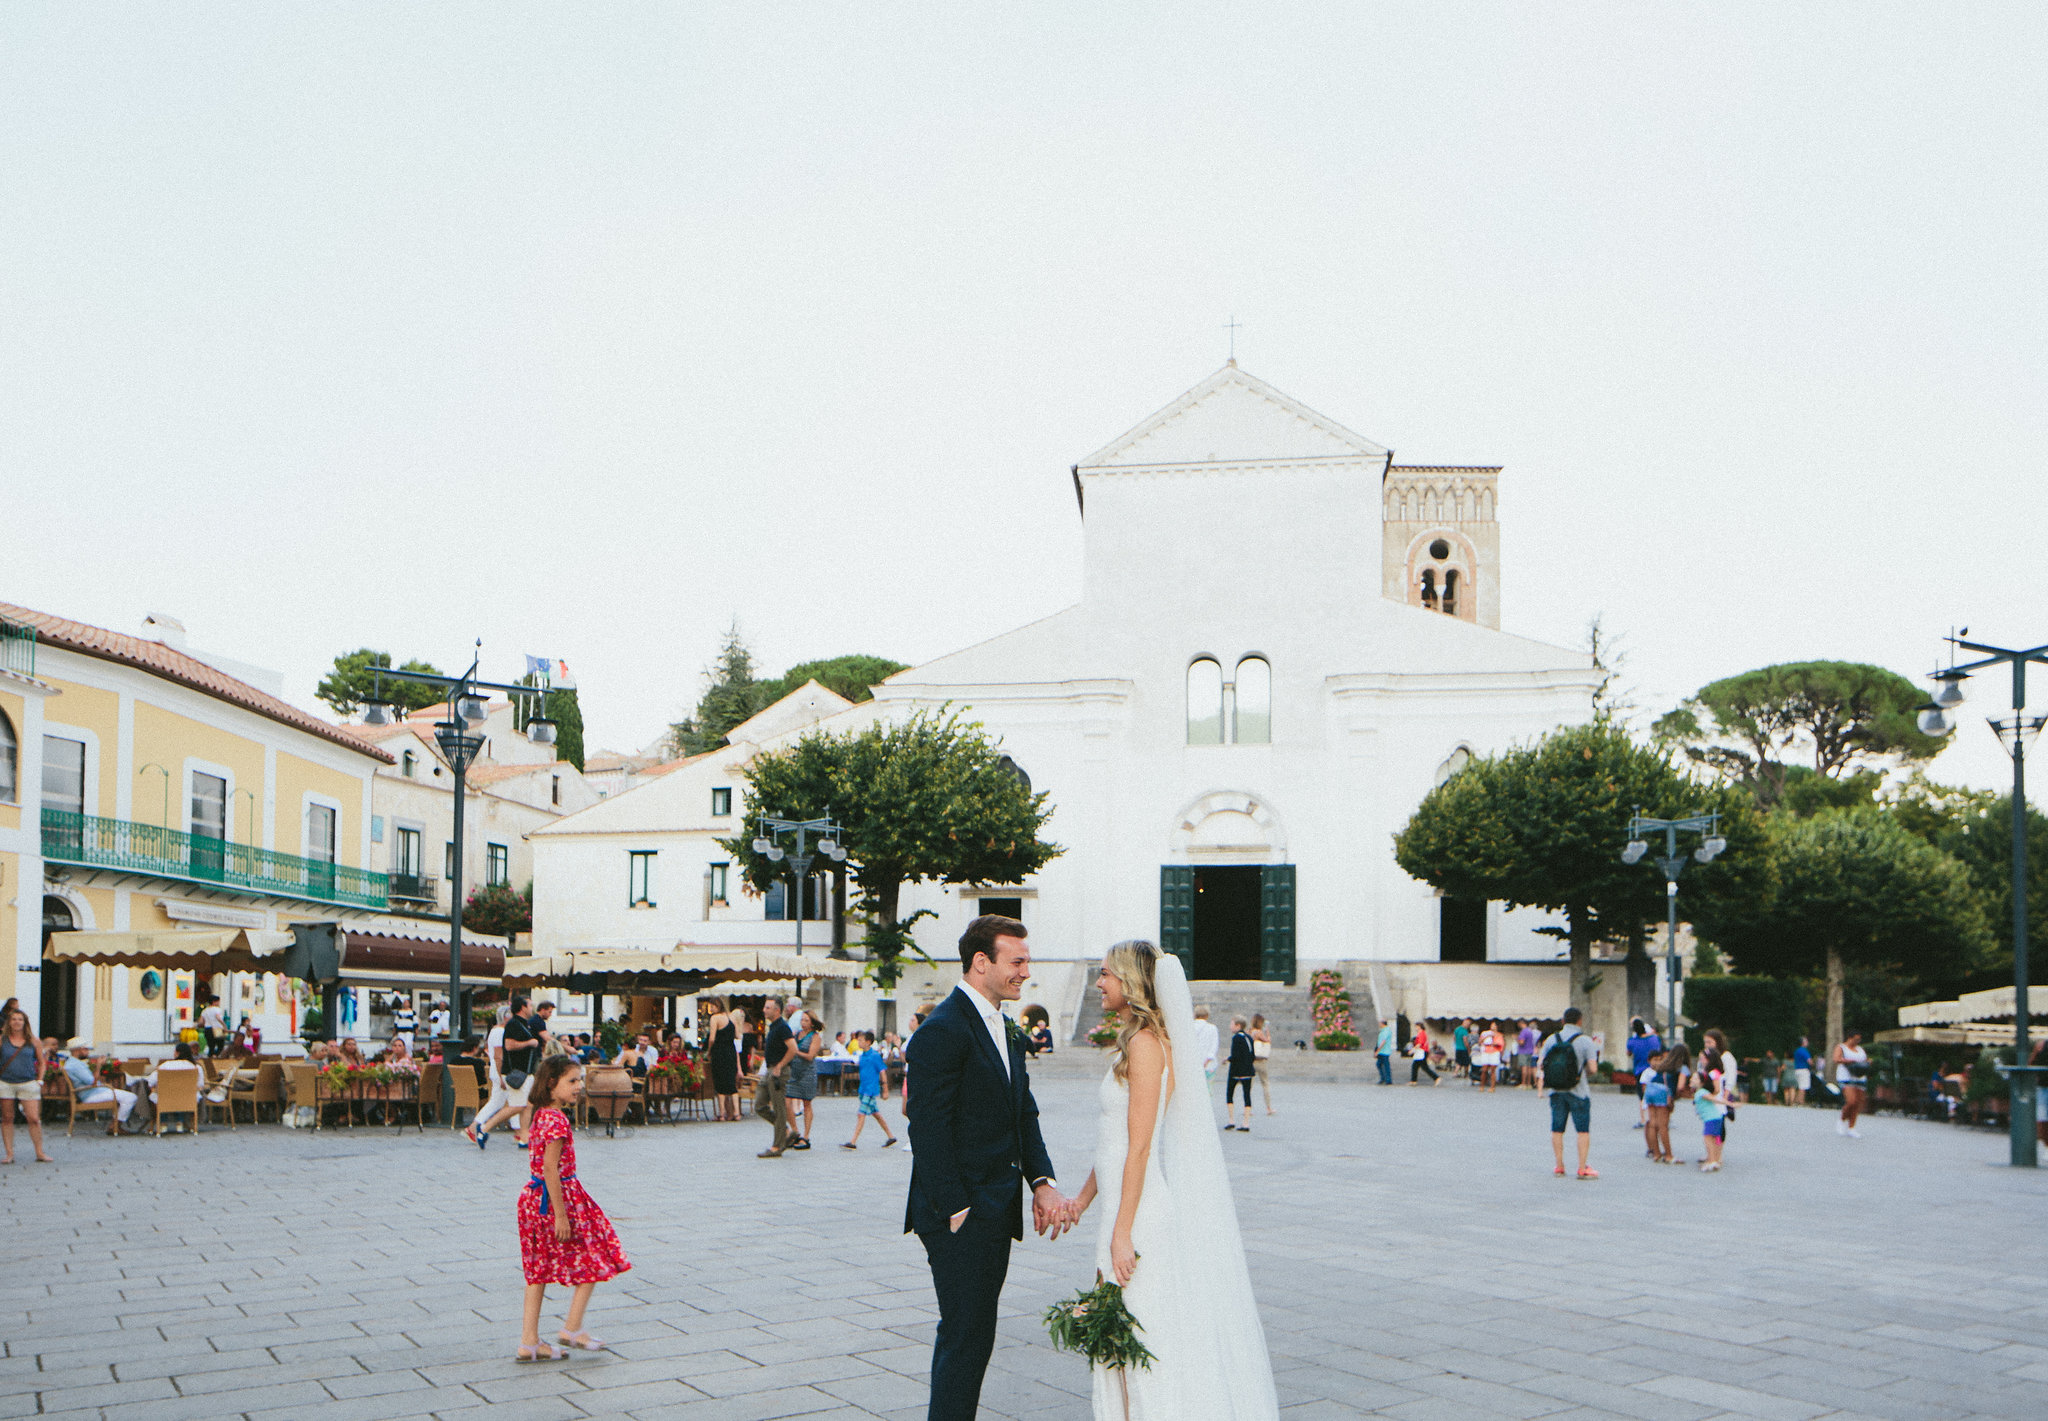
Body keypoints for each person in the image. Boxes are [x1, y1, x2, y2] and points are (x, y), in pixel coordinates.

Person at [1066, 940, 1279, 1419]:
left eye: (1106, 974)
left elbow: (1139, 1146)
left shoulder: (1144, 1046)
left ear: (1131, 982)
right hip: (1124, 1202)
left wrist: (1122, 1233)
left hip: (1137, 1212)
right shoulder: (1136, 1042)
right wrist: (1081, 1201)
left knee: (1140, 1334)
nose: (1099, 983)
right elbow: (1113, 1144)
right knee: (1121, 1333)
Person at [904, 915, 1071, 1421]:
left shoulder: (1003, 1025)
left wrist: (1041, 1182)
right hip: (960, 1213)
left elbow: (1023, 1110)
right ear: (982, 962)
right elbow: (926, 1126)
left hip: (996, 1209)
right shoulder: (943, 1029)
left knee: (975, 1334)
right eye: (1016, 961)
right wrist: (956, 1206)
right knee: (965, 1334)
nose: (1025, 971)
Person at [516, 1055, 630, 1361]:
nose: (578, 1086)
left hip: (533, 1198)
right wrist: (562, 1216)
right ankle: (572, 1327)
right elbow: (551, 1169)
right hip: (558, 1197)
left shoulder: (541, 1113)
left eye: (579, 1080)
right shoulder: (557, 1120)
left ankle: (529, 1341)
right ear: (552, 1084)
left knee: (537, 1271)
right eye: (572, 1081)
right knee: (596, 1254)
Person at [1540, 1007, 1600, 1179]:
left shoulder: (1551, 1040)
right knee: (1582, 1130)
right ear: (1580, 1020)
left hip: (1556, 1091)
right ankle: (1582, 1167)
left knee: (1557, 1129)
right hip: (1578, 1090)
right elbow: (1593, 1069)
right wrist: (1580, 1073)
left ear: (1563, 1021)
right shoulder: (1586, 1041)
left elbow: (1542, 1064)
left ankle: (1559, 1165)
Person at [0, 1006, 52, 1163]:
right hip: (6, 1082)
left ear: (25, 1022)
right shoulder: (3, 1040)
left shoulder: (33, 1041)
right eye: (14, 1019)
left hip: (28, 1082)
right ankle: (9, 1153)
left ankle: (40, 1152)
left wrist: (40, 1080)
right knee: (7, 1118)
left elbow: (42, 1063)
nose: (17, 1022)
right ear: (9, 1022)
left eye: (20, 1020)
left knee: (33, 1118)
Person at [61, 1039, 137, 1135]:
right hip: (91, 1094)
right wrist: (98, 1066)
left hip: (94, 1091)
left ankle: (115, 1125)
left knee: (125, 1097)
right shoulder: (75, 1065)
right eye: (85, 1049)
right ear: (77, 1050)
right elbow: (92, 1081)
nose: (88, 1051)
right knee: (131, 1097)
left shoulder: (74, 1063)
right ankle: (115, 1126)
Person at [466, 1006, 514, 1149]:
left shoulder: (495, 1031)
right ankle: (519, 1131)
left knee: (498, 1102)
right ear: (506, 1017)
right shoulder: (500, 1032)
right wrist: (501, 1075)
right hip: (500, 1070)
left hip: (496, 1069)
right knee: (513, 1101)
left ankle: (474, 1126)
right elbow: (499, 1055)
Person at [842, 1031, 898, 1149]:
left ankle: (853, 1141)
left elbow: (882, 1071)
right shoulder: (862, 1055)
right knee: (876, 1113)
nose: (859, 1042)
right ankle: (890, 1136)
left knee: (861, 1114)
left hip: (870, 1089)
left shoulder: (874, 1055)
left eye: (861, 1040)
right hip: (863, 1088)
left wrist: (885, 1088)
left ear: (868, 1042)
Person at [755, 999, 796, 1158]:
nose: (764, 1010)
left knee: (779, 1109)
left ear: (777, 1010)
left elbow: (793, 1049)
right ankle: (786, 1131)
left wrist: (780, 1066)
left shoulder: (782, 1027)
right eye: (765, 1007)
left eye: (768, 1007)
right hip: (769, 1070)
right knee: (759, 1105)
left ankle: (777, 1146)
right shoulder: (772, 1027)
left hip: (778, 1071)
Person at [1692, 1045, 1731, 1172]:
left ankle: (1715, 1157)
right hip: (1714, 1104)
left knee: (1714, 1134)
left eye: (1703, 1059)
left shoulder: (1713, 1073)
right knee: (1715, 1133)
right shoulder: (1711, 1072)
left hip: (1716, 1105)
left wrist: (1704, 1094)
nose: (1701, 1061)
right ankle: (1714, 1157)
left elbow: (1717, 1089)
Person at [786, 1009, 821, 1149]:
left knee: (806, 1103)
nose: (803, 1023)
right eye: (802, 1020)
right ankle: (795, 1131)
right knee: (786, 1101)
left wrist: (796, 1052)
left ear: (812, 1023)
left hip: (807, 1072)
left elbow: (810, 1056)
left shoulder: (815, 1037)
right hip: (794, 1072)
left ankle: (806, 1137)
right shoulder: (796, 1035)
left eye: (806, 1020)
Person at [705, 999, 741, 1122]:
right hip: (731, 1051)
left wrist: (709, 1051)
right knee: (731, 1083)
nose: (711, 1009)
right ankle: (736, 1112)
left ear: (717, 1006)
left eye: (712, 1006)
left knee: (720, 1082)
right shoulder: (732, 1018)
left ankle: (722, 1113)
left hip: (719, 1052)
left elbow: (712, 1038)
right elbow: (737, 1035)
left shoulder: (715, 1018)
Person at [1642, 1045, 1677, 1165]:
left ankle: (1656, 1153)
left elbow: (1644, 1087)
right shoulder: (1672, 1067)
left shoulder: (1653, 1071)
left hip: (1650, 1091)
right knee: (1662, 1125)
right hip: (1661, 1092)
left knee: (1652, 1123)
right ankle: (1668, 1155)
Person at [1626, 1018, 1662, 1128]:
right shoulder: (1655, 1039)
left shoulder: (1632, 1041)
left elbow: (1628, 1053)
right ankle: (1660, 1118)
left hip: (1640, 1070)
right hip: (1655, 1070)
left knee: (1642, 1096)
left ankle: (1643, 1119)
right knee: (1658, 1094)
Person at [1223, 1016, 1257, 1132]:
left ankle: (1231, 1120)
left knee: (1230, 1094)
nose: (1230, 1026)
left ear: (1238, 1026)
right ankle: (1246, 1122)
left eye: (1232, 1024)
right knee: (1247, 1095)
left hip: (1236, 1071)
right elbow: (1252, 1055)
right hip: (1248, 1070)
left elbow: (1236, 1056)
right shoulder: (1249, 1037)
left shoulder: (1236, 1038)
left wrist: (1227, 1059)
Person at [1833, 1031, 1869, 1137]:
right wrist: (1848, 1061)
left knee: (1858, 1103)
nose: (1857, 1042)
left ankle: (1851, 1127)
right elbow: (1836, 1059)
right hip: (1846, 1077)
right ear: (1849, 1038)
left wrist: (1868, 1062)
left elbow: (1865, 1060)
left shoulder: (1860, 1049)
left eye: (1859, 1040)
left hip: (1860, 1077)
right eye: (1855, 1039)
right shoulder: (1841, 1047)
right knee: (1851, 1101)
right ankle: (1842, 1119)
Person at [1250, 1012, 1275, 1114]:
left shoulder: (1250, 1031)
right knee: (1265, 1084)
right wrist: (1267, 1032)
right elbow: (1268, 1041)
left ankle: (1248, 1108)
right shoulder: (1259, 1033)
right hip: (1261, 1061)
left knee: (1249, 1086)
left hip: (1251, 1060)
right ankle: (1268, 1108)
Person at [1191, 1005, 1219, 1084]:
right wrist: (1207, 1060)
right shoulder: (1212, 1028)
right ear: (1207, 1016)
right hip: (1209, 1065)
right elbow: (1214, 1046)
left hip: (1193, 1064)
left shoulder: (1190, 1027)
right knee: (1208, 1089)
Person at [1475, 1021, 1505, 1092]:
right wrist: (1487, 1036)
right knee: (1484, 1070)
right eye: (1492, 1025)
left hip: (1494, 1052)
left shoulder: (1499, 1035)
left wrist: (1494, 1043)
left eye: (1494, 1026)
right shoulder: (1486, 1033)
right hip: (1486, 1051)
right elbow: (1480, 1041)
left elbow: (1500, 1044)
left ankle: (1492, 1087)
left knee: (1492, 1070)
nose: (1493, 1027)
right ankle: (1482, 1086)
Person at [1517, 1020, 1541, 1089]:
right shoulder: (1530, 1031)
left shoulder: (1523, 1031)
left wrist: (1517, 1040)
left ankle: (1523, 1083)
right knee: (1529, 1068)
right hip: (1530, 1051)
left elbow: (1521, 1042)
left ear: (1521, 1023)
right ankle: (1529, 1083)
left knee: (1524, 1067)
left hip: (1523, 1051)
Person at [1789, 1037, 1812, 1107]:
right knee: (1803, 1087)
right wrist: (1812, 1064)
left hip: (1797, 1070)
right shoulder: (1804, 1050)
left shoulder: (1797, 1051)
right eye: (1806, 1041)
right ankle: (1801, 1102)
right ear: (1803, 1042)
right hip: (1804, 1070)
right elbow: (1809, 1061)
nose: (1807, 1042)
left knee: (1798, 1086)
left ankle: (1795, 1102)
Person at [1374, 1017, 1395, 1086]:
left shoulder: (1386, 1031)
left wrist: (1378, 1050)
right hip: (1382, 1051)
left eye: (1380, 1023)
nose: (1379, 1024)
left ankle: (1387, 1079)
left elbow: (1383, 1041)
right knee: (1379, 1064)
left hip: (1384, 1051)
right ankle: (1384, 1078)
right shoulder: (1383, 1030)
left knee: (1386, 1065)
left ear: (1382, 1023)